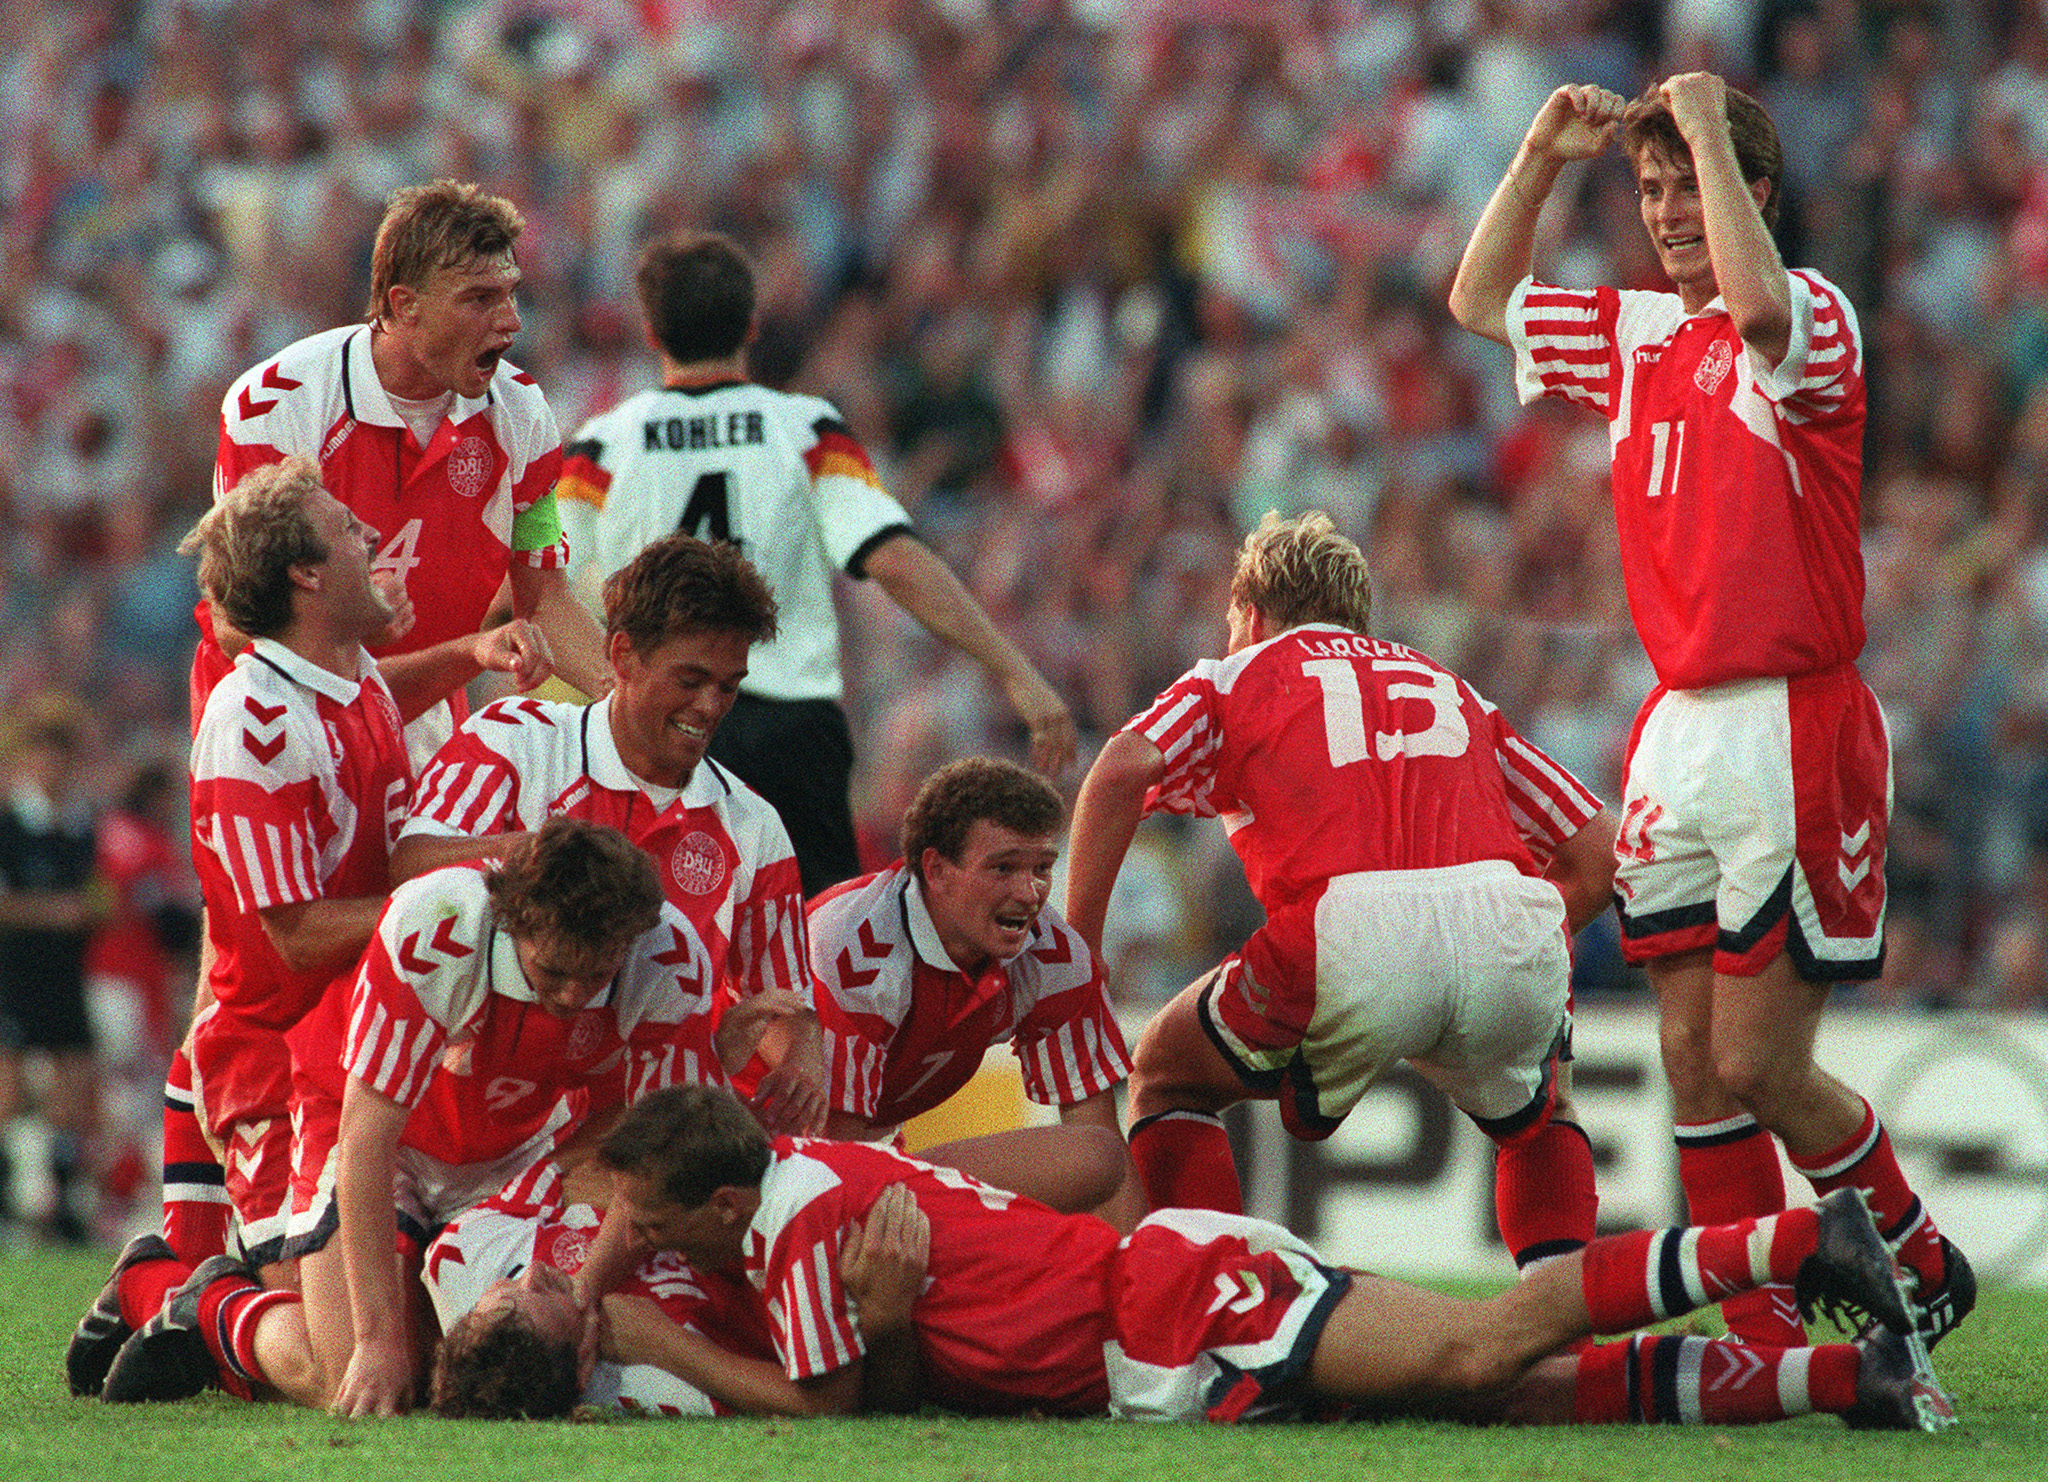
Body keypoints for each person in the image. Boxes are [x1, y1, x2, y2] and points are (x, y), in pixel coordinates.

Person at [1445, 73, 1972, 1348]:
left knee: (1754, 1063)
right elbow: (1474, 300)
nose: (1670, 211)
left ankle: (1915, 1253)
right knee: (1687, 1058)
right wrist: (1535, 158)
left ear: (1756, 192)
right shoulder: (1637, 339)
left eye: (1692, 184)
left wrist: (1700, 128)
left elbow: (1754, 302)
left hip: (1792, 720)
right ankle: (1762, 1329)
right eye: (1654, 189)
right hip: (1678, 725)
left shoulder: (1813, 322)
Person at [156, 175, 600, 1273]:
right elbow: (258, 611)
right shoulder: (276, 405)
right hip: (279, 709)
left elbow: (542, 593)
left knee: (425, 959)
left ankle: (397, 1216)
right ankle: (192, 1254)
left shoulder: (523, 417)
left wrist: (634, 715)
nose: (507, 322)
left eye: (513, 295)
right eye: (478, 298)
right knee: (262, 971)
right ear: (396, 306)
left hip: (428, 710)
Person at [583, 1085, 1954, 1431]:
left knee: (1481, 1342)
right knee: (1496, 1393)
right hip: (1156, 1341)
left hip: (1174, 1305)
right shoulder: (808, 1172)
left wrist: (654, 1341)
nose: (635, 1237)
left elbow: (842, 1416)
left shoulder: (793, 1222)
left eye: (649, 1215)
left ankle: (1798, 1235)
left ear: (716, 1197)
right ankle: (1847, 1382)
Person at [88, 820, 798, 1417]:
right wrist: (376, 1341)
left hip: (521, 1147)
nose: (577, 994)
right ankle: (195, 1299)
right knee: (352, 1377)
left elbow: (655, 1162)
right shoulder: (438, 926)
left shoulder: (667, 960)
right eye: (555, 973)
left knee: (456, 1376)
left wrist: (585, 1299)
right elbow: (367, 1140)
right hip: (373, 1131)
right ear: (514, 918)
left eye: (598, 975)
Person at [1064, 512, 1616, 1277]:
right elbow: (1598, 854)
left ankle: (1229, 1314)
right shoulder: (1449, 687)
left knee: (1164, 1072)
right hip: (1505, 915)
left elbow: (1120, 769)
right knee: (1544, 1115)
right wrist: (1511, 946)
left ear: (1251, 615)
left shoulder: (1237, 674)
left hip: (1346, 933)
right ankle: (1564, 1337)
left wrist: (1076, 953)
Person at [555, 229, 1076, 895]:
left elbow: (556, 578)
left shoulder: (600, 444)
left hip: (656, 717)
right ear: (750, 325)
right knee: (810, 945)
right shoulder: (805, 429)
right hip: (791, 726)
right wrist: (1015, 670)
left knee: (649, 926)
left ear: (653, 333)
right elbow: (891, 558)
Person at [394, 533, 825, 1133]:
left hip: (618, 1146)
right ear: (622, 657)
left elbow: (785, 1004)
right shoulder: (515, 738)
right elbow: (410, 866)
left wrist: (803, 1046)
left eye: (728, 685)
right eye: (690, 679)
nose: (709, 706)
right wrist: (539, 855)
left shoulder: (753, 828)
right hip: (442, 1123)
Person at [809, 757, 1139, 1225]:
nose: (1030, 893)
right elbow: (828, 1163)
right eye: (1003, 869)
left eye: (1042, 867)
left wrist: (1140, 1280)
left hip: (876, 1165)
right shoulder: (850, 950)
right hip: (763, 1162)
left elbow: (1100, 1144)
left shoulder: (1055, 954)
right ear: (938, 870)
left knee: (1098, 1157)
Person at [420, 1161, 924, 1419]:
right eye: (549, 1300)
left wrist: (620, 1244)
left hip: (760, 1165)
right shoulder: (651, 1393)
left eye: (511, 1285)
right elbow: (828, 1401)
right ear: (583, 1367)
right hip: (841, 1248)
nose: (535, 1273)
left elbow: (583, 1166)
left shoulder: (461, 1258)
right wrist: (671, 1348)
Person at [0, 695, 108, 1244]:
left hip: (66, 970)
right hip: (14, 968)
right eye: (44, 753)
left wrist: (93, 911)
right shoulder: (9, 823)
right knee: (9, 1086)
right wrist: (53, 912)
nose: (53, 765)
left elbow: (98, 896)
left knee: (75, 1086)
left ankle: (65, 1206)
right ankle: (5, 1199)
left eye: (61, 755)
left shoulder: (81, 827)